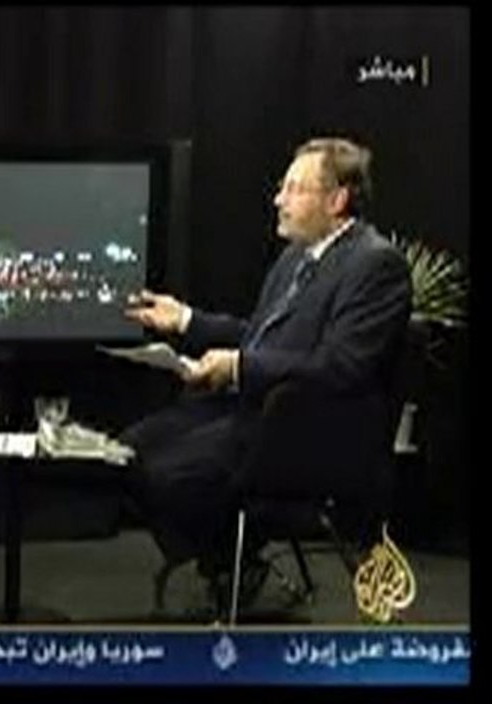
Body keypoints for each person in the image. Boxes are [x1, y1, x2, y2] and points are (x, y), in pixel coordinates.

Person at [121, 137, 411, 605]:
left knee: (170, 475)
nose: (279, 199)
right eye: (283, 187)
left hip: (308, 431)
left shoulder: (376, 265)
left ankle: (232, 556)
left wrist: (238, 366)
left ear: (336, 200)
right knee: (127, 453)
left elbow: (341, 365)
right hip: (255, 408)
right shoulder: (296, 256)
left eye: (294, 189)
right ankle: (227, 557)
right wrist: (186, 320)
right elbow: (257, 336)